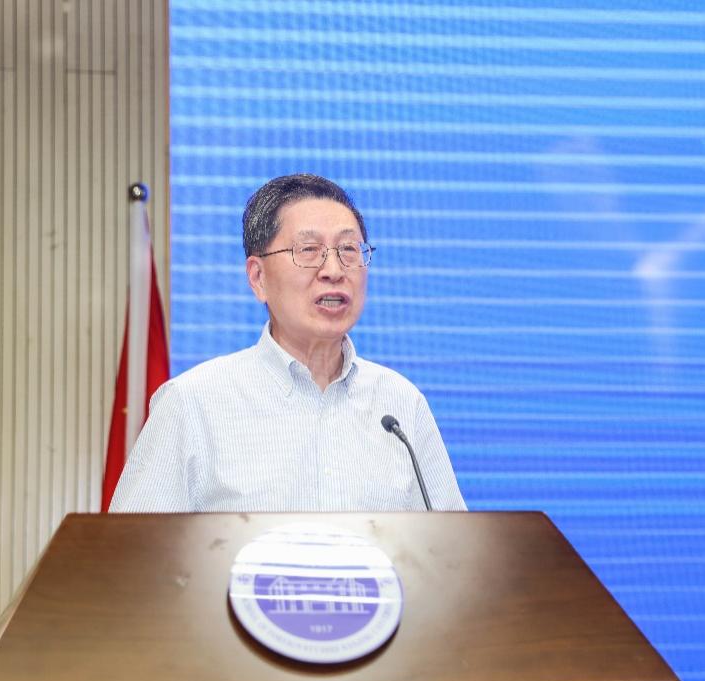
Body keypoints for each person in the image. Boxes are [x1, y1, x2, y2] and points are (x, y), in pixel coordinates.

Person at [110, 173, 466, 512]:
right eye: (308, 250)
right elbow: (133, 547)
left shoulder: (401, 404)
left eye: (348, 249)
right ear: (258, 277)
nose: (334, 270)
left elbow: (452, 544)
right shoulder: (192, 403)